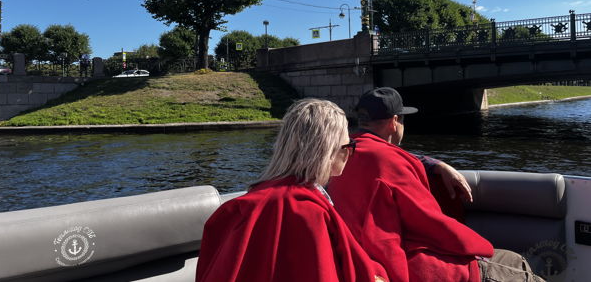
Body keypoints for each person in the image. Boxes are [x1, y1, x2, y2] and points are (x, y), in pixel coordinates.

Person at [328, 87, 545, 282]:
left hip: (358, 264)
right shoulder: (391, 163)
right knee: (516, 265)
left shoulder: (339, 155)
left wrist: (437, 164)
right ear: (394, 122)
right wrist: (480, 250)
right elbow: (433, 224)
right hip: (409, 268)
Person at [196, 98, 387, 282]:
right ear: (329, 151)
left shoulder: (245, 204)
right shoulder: (309, 212)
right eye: (348, 145)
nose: (349, 153)